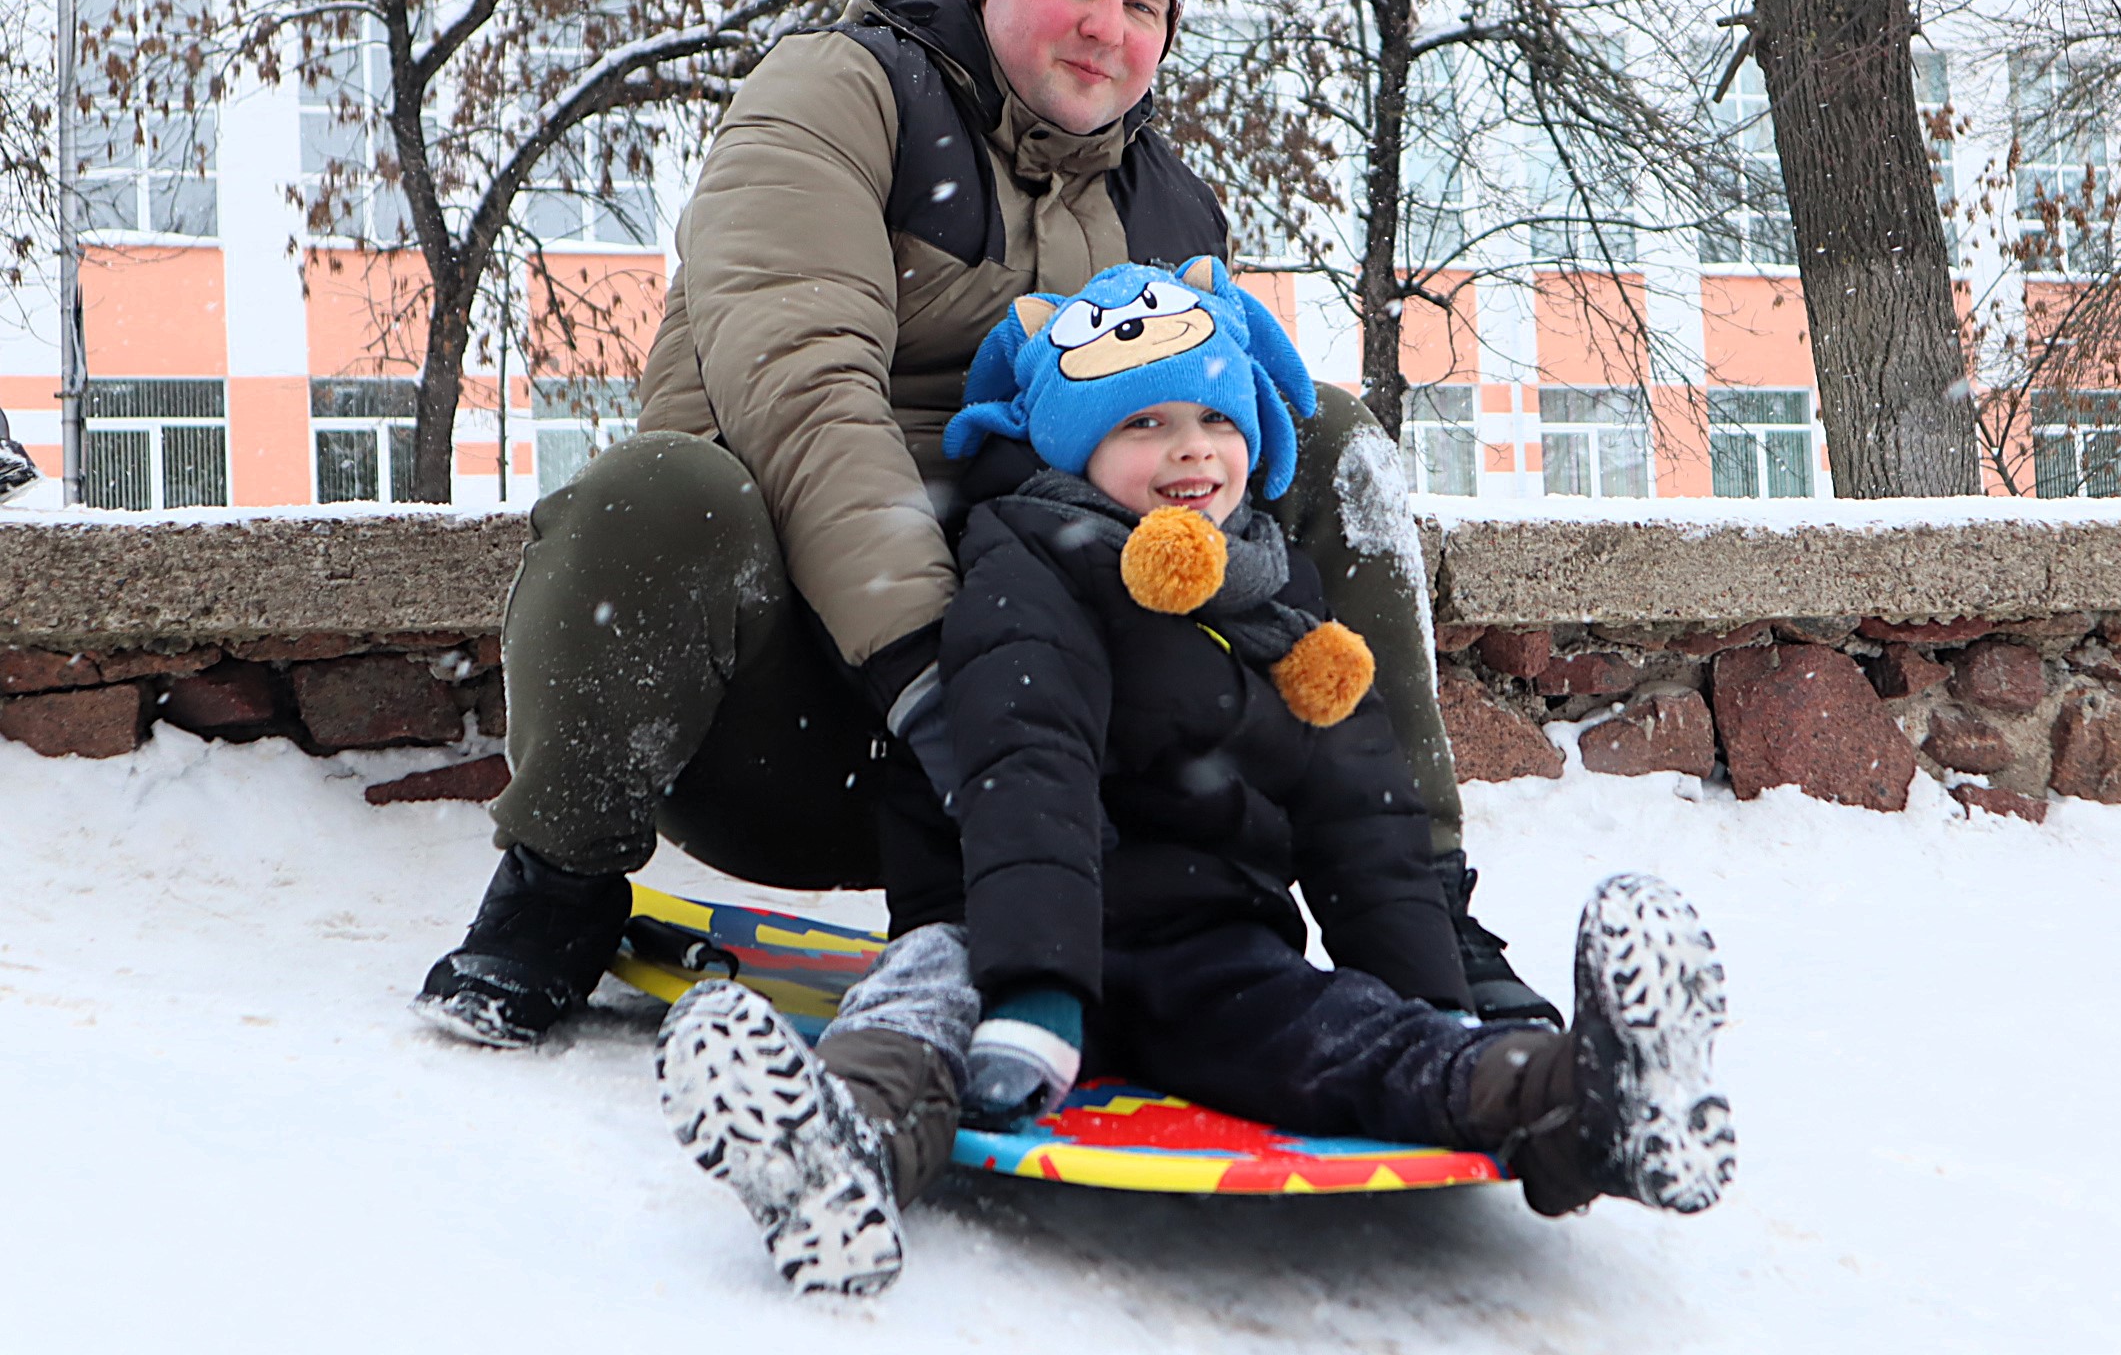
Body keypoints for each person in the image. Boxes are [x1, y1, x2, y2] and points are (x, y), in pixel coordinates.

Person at [414, 0, 1554, 1052]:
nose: (1108, 26)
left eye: (1145, 4)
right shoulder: (838, 96)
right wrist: (936, 687)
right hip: (807, 721)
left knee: (1321, 433)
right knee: (658, 492)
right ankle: (558, 881)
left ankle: (1428, 908)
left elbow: (1205, 490)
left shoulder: (1169, 210)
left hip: (1059, 744)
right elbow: (802, 387)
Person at [651, 259, 1736, 1296]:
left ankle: (1582, 1107)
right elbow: (1031, 758)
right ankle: (840, 1156)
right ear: (1073, 445)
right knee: (919, 1009)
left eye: (1219, 418)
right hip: (999, 915)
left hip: (1202, 941)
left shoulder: (1275, 592)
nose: (1193, 450)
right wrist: (1035, 989)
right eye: (1144, 422)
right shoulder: (1027, 563)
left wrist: (1428, 997)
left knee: (1337, 1036)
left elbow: (1363, 813)